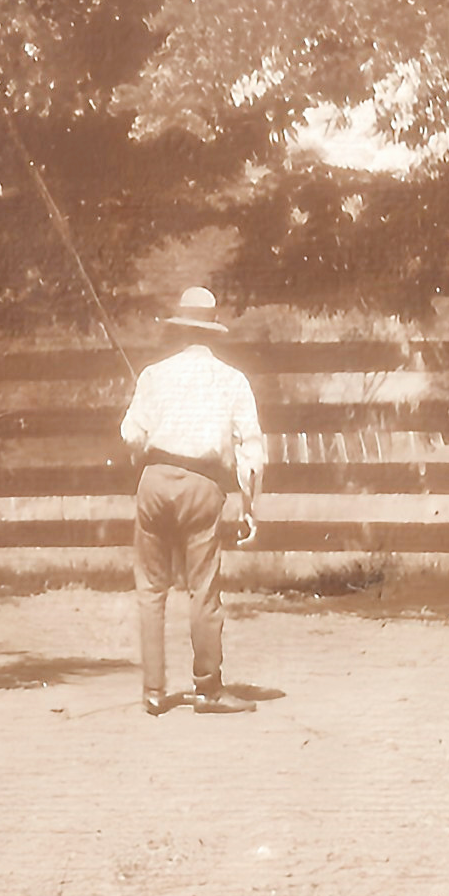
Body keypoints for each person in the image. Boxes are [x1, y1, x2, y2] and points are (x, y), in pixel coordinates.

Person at [119, 286, 265, 715]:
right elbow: (251, 448)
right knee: (202, 588)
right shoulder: (233, 380)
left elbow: (131, 434)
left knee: (150, 587)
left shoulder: (152, 375)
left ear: (180, 329)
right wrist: (248, 505)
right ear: (212, 332)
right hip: (203, 486)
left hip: (154, 481)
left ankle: (153, 691)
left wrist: (143, 454)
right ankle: (207, 689)